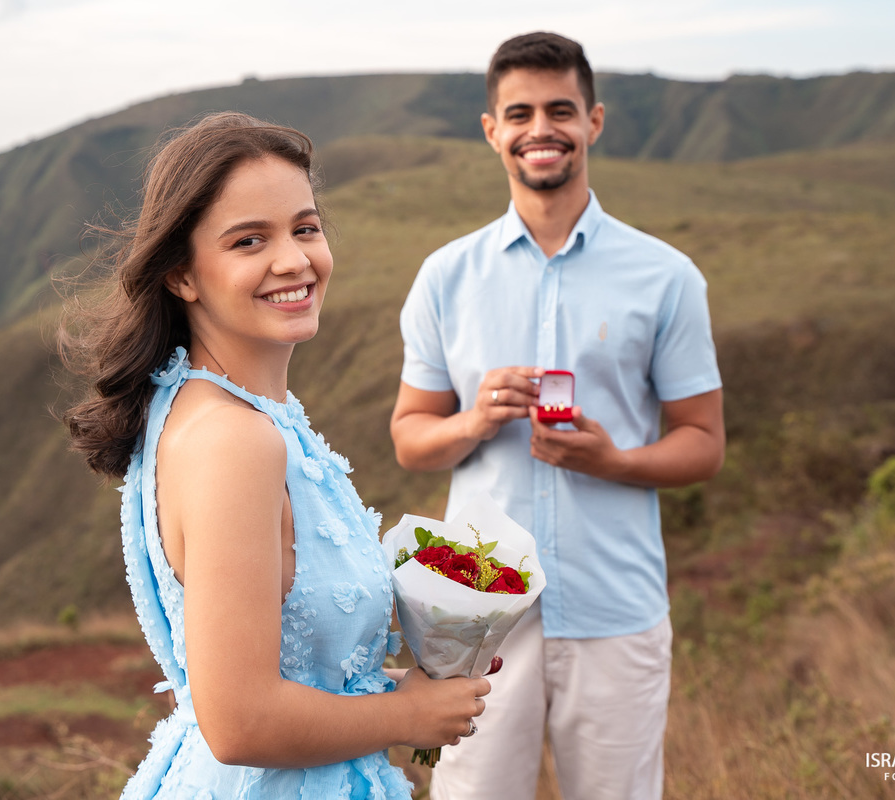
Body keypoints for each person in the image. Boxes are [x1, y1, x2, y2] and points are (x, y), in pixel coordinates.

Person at [60, 111, 490, 799]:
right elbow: (238, 721)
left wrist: (409, 688)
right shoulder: (235, 440)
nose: (293, 260)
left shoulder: (219, 409)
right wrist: (405, 715)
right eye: (248, 240)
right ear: (182, 275)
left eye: (305, 227)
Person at [390, 32, 726, 800]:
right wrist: (474, 422)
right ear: (492, 130)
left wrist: (615, 461)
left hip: (616, 607)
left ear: (594, 122)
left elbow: (704, 444)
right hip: (478, 612)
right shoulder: (446, 277)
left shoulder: (666, 277)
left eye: (560, 110)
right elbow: (411, 438)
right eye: (520, 113)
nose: (540, 128)